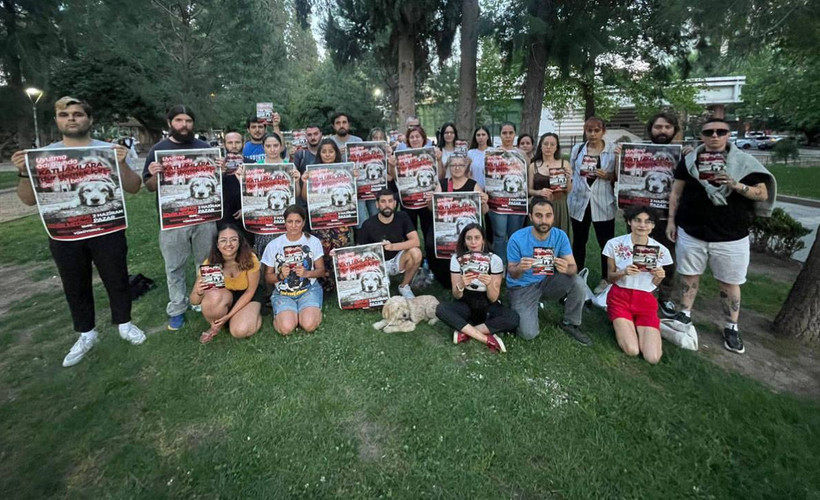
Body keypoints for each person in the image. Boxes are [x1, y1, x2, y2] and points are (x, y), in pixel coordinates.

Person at [11, 96, 146, 367]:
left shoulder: (109, 150)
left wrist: (120, 163)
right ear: (57, 121)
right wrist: (25, 172)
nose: (72, 118)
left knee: (116, 277)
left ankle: (124, 323)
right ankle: (86, 333)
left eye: (78, 114)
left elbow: (134, 187)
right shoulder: (43, 156)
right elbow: (27, 200)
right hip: (65, 234)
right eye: (65, 115)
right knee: (74, 283)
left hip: (107, 228)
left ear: (89, 119)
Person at [667, 117, 775, 354]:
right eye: (709, 132)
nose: (714, 136)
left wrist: (737, 186)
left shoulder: (744, 162)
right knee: (689, 275)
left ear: (728, 134)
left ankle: (732, 326)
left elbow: (762, 193)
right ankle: (684, 313)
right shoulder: (690, 160)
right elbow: (676, 193)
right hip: (692, 230)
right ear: (701, 136)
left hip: (731, 234)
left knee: (729, 283)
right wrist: (672, 222)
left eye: (720, 131)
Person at [144, 105, 219, 331]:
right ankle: (177, 307)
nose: (183, 125)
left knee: (206, 261)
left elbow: (216, 182)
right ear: (170, 123)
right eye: (178, 120)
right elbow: (147, 186)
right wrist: (154, 175)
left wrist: (220, 169)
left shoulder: (204, 148)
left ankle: (202, 299)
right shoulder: (159, 150)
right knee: (174, 265)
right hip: (173, 219)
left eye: (187, 120)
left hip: (204, 216)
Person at [506, 197, 590, 345]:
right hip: (522, 287)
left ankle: (570, 323)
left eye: (548, 215)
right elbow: (512, 273)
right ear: (530, 216)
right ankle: (521, 307)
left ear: (553, 216)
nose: (544, 220)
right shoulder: (517, 238)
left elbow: (573, 267)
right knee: (528, 334)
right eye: (539, 215)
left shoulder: (560, 235)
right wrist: (519, 268)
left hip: (547, 281)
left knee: (577, 282)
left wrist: (567, 268)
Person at [602, 206, 673, 364]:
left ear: (653, 225)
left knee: (652, 357)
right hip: (620, 297)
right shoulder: (615, 244)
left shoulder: (661, 251)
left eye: (648, 222)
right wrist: (623, 272)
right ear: (629, 222)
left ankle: (634, 325)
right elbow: (610, 277)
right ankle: (622, 322)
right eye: (637, 220)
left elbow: (654, 284)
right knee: (632, 350)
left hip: (645, 301)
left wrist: (659, 276)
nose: (642, 225)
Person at [436, 224, 519, 353]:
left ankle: (465, 332)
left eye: (477, 238)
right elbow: (456, 295)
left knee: (512, 318)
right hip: (466, 301)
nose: (473, 242)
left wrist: (489, 284)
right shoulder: (456, 259)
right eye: (469, 238)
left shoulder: (495, 260)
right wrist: (462, 284)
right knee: (441, 309)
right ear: (464, 241)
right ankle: (486, 339)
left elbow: (493, 298)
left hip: (487, 303)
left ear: (483, 240)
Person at [567, 116, 616, 294]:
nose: (593, 134)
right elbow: (571, 172)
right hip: (579, 202)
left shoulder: (613, 150)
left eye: (596, 130)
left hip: (602, 202)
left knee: (606, 243)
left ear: (603, 131)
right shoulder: (578, 149)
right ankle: (577, 275)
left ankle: (606, 278)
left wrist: (608, 175)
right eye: (589, 130)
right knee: (579, 241)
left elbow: (619, 176)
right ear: (585, 131)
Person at [192, 223, 263, 343]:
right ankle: (215, 325)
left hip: (248, 295)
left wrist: (228, 316)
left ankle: (253, 315)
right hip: (225, 296)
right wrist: (199, 292)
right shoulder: (209, 263)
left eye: (233, 240)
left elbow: (250, 291)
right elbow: (194, 301)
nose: (228, 244)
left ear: (240, 242)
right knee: (212, 297)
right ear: (217, 245)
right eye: (223, 240)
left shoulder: (250, 258)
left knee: (239, 331)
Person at [301, 138, 355, 293]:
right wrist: (305, 181)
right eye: (324, 151)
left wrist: (354, 177)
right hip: (321, 219)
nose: (327, 154)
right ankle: (326, 283)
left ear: (336, 153)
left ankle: (343, 283)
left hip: (341, 219)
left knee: (341, 249)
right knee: (322, 250)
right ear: (319, 154)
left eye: (331, 151)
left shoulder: (345, 170)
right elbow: (305, 197)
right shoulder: (313, 171)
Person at [261, 205, 325, 335]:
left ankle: (308, 311)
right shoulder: (274, 245)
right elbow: (267, 277)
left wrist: (307, 273)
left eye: (298, 221)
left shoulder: (313, 242)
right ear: (284, 222)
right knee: (286, 328)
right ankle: (286, 314)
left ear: (304, 222)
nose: (294, 225)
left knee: (309, 325)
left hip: (309, 290)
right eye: (290, 221)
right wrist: (280, 276)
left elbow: (321, 271)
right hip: (283, 293)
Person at [427, 154, 489, 287]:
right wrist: (430, 202)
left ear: (465, 166)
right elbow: (432, 210)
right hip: (448, 224)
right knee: (431, 241)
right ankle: (442, 277)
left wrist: (484, 202)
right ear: (449, 167)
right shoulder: (443, 184)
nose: (457, 168)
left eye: (460, 165)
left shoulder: (473, 185)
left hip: (468, 229)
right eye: (453, 165)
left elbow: (484, 212)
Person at [358, 189, 423, 299]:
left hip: (397, 259)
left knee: (416, 253)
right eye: (383, 201)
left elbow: (416, 241)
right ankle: (382, 280)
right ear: (377, 205)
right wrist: (338, 255)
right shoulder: (368, 224)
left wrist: (393, 247)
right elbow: (359, 251)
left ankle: (404, 286)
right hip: (377, 264)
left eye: (390, 201)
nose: (387, 205)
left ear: (395, 203)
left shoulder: (402, 217)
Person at [252, 132, 302, 257]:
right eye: (268, 146)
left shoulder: (289, 166)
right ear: (263, 147)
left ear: (281, 147)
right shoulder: (255, 167)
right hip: (264, 224)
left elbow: (297, 194)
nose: (272, 149)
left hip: (285, 221)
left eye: (275, 145)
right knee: (266, 256)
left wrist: (296, 181)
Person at [488, 121, 527, 263]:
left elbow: (527, 176)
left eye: (511, 133)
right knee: (499, 235)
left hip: (517, 201)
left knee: (515, 235)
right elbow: (487, 175)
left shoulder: (521, 154)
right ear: (500, 135)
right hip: (498, 202)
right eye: (504, 133)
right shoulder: (492, 153)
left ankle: (513, 264)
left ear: (515, 135)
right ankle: (500, 265)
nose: (508, 136)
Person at [529, 133, 573, 240]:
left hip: (558, 205)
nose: (548, 147)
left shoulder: (564, 164)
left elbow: (569, 190)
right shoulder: (533, 166)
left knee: (558, 237)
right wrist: (539, 192)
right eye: (546, 144)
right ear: (541, 146)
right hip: (539, 205)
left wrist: (568, 178)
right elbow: (529, 190)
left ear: (557, 147)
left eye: (552, 144)